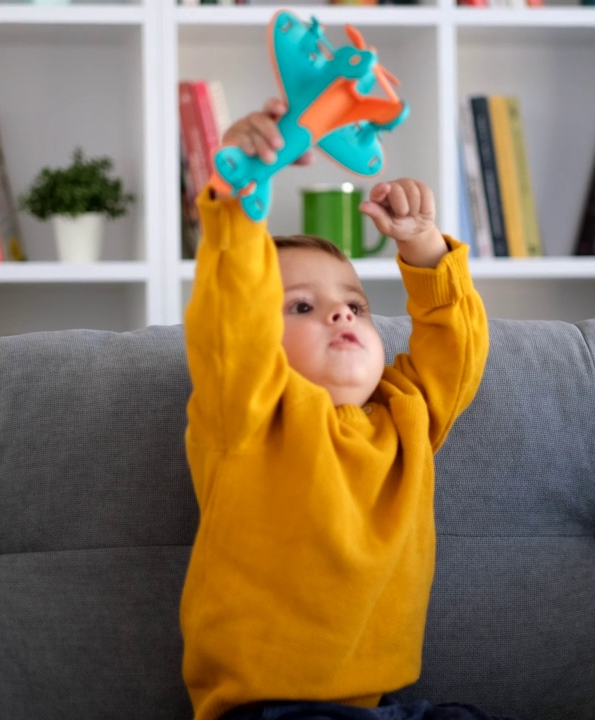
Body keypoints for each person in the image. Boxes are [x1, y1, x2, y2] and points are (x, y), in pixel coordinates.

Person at [180, 98, 501, 720]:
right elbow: (228, 322)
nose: (340, 314)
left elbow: (456, 352)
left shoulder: (406, 413)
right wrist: (237, 195)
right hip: (270, 710)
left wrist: (424, 248)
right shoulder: (246, 412)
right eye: (299, 306)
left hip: (386, 707)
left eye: (355, 305)